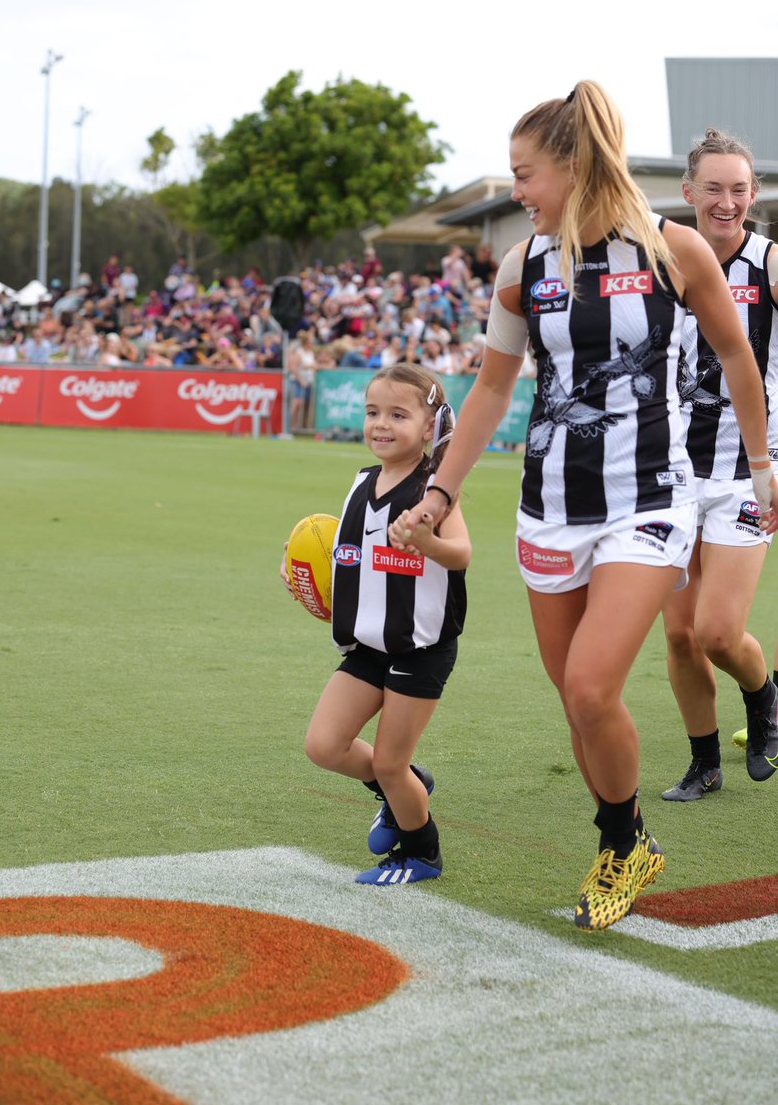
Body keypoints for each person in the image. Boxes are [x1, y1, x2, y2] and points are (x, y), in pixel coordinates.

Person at [392, 82, 778, 931]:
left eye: (524, 174)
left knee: (590, 685)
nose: (516, 192)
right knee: (576, 701)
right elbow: (493, 390)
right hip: (549, 506)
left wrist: (761, 467)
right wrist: (439, 489)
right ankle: (627, 836)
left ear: (573, 166)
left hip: (651, 500)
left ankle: (618, 847)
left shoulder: (674, 249)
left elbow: (736, 358)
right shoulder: (521, 267)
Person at [281, 364, 471, 885]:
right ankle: (407, 787)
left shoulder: (434, 489)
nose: (381, 424)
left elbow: (461, 553)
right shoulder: (363, 481)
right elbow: (348, 554)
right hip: (369, 644)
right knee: (324, 746)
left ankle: (421, 854)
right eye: (372, 412)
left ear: (430, 427)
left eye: (397, 414)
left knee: (389, 762)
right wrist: (300, 570)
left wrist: (427, 541)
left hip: (420, 648)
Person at [660, 128, 778, 800]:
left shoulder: (768, 264)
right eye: (712, 189)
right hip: (672, 475)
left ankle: (763, 698)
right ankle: (703, 763)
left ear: (753, 193)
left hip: (749, 473)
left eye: (737, 189)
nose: (725, 202)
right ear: (688, 192)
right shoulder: (661, 260)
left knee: (716, 632)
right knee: (680, 636)